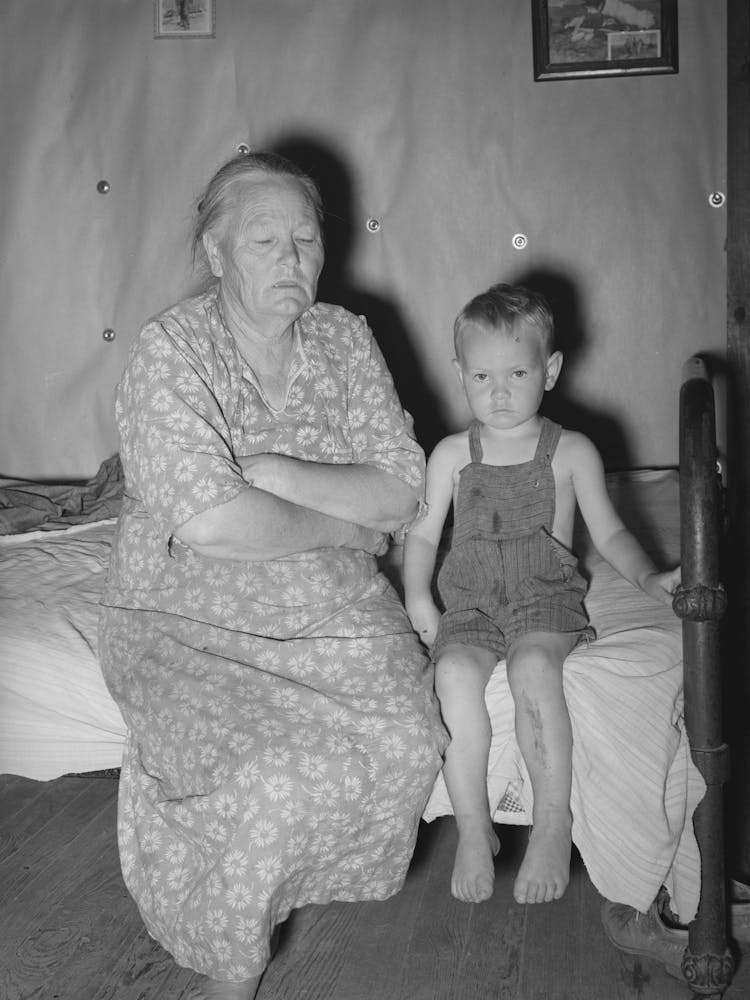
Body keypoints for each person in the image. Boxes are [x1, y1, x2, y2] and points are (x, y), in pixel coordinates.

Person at [98, 151, 446, 1000]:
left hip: (336, 613)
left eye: (306, 239)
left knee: (410, 739)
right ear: (216, 255)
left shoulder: (346, 338)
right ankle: (232, 968)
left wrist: (279, 474)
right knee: (269, 780)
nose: (294, 260)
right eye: (265, 241)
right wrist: (346, 520)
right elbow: (211, 524)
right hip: (188, 619)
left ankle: (275, 898)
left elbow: (404, 488)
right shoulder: (172, 349)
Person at [403, 283, 680, 908]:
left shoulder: (571, 450)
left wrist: (648, 579)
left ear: (550, 370)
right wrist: (420, 594)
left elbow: (608, 531)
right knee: (450, 674)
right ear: (459, 374)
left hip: (543, 596)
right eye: (481, 376)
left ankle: (553, 822)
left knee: (532, 666)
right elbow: (423, 534)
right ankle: (475, 825)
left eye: (518, 372)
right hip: (471, 600)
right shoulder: (450, 454)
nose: (498, 392)